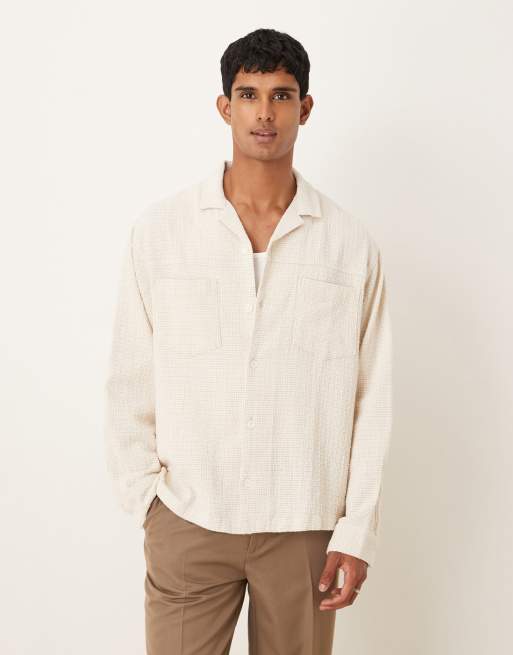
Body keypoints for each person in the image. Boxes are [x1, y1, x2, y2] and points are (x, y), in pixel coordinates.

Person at [104, 27, 393, 655]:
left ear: (305, 109)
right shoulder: (162, 232)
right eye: (249, 94)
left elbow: (373, 398)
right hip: (190, 515)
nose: (265, 112)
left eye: (282, 96)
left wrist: (356, 530)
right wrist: (148, 499)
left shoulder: (348, 245)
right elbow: (129, 374)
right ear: (224, 106)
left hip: (304, 520)